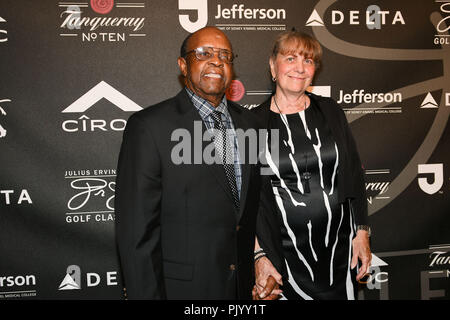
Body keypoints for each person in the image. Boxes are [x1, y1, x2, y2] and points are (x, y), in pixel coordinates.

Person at [115, 26, 270, 299]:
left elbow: (252, 210)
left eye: (225, 55)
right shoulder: (149, 127)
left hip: (242, 290)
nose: (216, 60)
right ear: (183, 65)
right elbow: (136, 233)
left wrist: (260, 259)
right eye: (203, 53)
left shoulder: (252, 125)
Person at [252, 31, 372, 300]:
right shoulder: (255, 125)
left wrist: (361, 233)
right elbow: (246, 203)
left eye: (308, 61)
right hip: (284, 259)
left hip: (339, 255)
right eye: (290, 58)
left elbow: (353, 174)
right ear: (273, 66)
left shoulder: (330, 111)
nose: (299, 68)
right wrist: (259, 256)